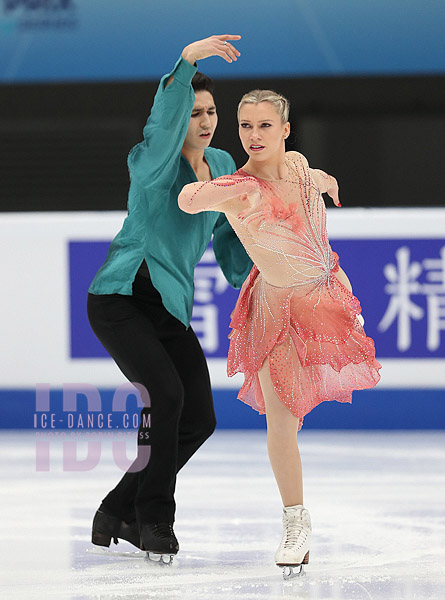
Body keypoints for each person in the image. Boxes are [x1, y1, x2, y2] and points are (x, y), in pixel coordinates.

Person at [178, 89, 382, 578]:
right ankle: (296, 522)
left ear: (285, 130)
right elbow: (187, 201)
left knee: (298, 410)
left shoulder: (296, 164)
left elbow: (310, 177)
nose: (253, 135)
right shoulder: (239, 188)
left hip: (327, 294)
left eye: (264, 125)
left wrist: (324, 180)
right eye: (245, 126)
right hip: (275, 311)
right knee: (282, 422)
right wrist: (202, 178)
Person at [86, 36, 252, 563]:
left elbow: (231, 240)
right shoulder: (154, 161)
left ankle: (118, 506)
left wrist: (258, 280)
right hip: (122, 298)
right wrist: (186, 62)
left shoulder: (224, 163)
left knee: (199, 417)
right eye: (194, 111)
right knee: (165, 394)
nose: (204, 121)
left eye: (211, 111)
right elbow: (162, 124)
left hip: (170, 309)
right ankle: (154, 519)